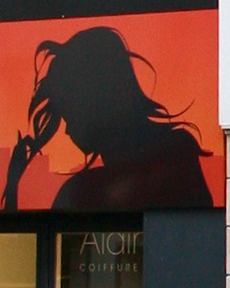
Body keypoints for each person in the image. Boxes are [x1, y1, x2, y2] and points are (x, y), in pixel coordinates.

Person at [2, 26, 212, 213]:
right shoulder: (178, 149)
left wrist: (12, 188)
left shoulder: (82, 192)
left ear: (91, 101)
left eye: (69, 117)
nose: (67, 130)